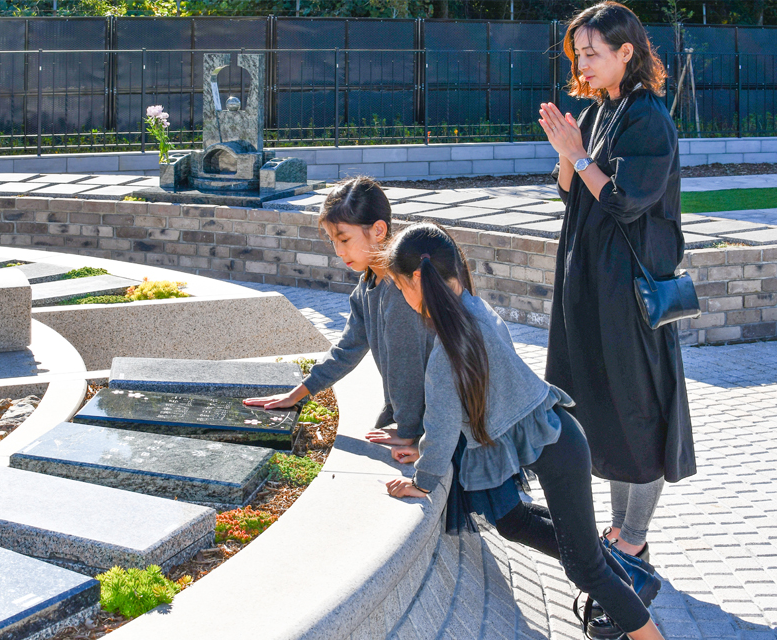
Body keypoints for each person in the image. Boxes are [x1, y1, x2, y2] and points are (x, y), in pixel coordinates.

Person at [382, 223, 665, 640]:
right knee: (533, 529)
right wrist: (424, 456)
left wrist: (422, 483)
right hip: (561, 439)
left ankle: (645, 621)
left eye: (400, 286)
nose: (402, 296)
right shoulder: (476, 311)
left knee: (586, 569)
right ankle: (631, 579)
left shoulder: (447, 354)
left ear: (420, 281)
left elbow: (442, 428)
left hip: (559, 451)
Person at [538, 1, 696, 564]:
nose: (582, 63)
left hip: (628, 294)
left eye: (593, 53)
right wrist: (567, 155)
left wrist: (579, 158)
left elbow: (624, 201)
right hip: (590, 289)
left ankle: (634, 539)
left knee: (637, 413)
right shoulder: (598, 111)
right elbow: (572, 191)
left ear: (626, 52)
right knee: (600, 407)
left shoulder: (647, 117)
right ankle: (618, 531)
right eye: (577, 54)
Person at [243, 176, 435, 448]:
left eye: (344, 239)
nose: (338, 251)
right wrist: (297, 394)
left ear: (379, 230)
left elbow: (407, 369)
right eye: (333, 241)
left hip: (446, 418)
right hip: (425, 415)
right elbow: (347, 348)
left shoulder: (401, 290)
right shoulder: (368, 284)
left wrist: (408, 431)